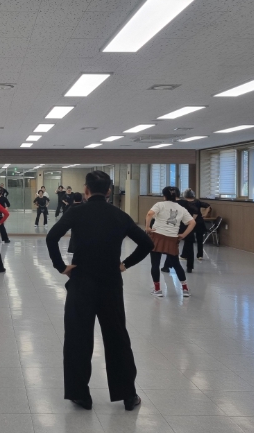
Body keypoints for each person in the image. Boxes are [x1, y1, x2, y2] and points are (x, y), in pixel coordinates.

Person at [46, 171, 153, 412]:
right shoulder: (119, 215)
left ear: (86, 190)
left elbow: (52, 237)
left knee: (78, 337)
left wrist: (61, 267)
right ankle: (128, 395)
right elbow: (147, 243)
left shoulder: (76, 212)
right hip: (110, 283)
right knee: (117, 337)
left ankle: (80, 395)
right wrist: (124, 264)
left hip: (81, 281)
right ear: (108, 191)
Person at [145, 187, 196, 298]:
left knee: (155, 264)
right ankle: (185, 289)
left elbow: (149, 214)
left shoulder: (160, 205)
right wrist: (183, 235)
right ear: (177, 196)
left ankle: (157, 290)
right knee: (176, 264)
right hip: (172, 238)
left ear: (164, 196)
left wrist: (147, 227)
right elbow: (192, 222)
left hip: (157, 236)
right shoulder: (181, 209)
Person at [171, 191, 200, 274]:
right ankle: (189, 267)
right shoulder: (186, 203)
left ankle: (167, 266)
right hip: (188, 227)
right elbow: (196, 211)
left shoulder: (173, 204)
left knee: (172, 247)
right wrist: (192, 219)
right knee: (190, 247)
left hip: (176, 227)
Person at [182, 189, 211, 260]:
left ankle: (184, 255)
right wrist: (205, 214)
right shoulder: (197, 202)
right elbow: (208, 206)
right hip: (199, 222)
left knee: (188, 240)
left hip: (190, 222)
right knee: (200, 240)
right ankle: (200, 255)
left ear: (185, 195)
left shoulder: (184, 203)